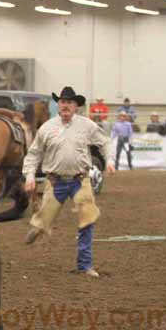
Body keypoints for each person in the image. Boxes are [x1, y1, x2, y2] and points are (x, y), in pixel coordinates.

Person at [23, 86, 115, 278]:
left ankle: (85, 265)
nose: (66, 105)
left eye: (70, 103)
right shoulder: (46, 128)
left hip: (80, 180)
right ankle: (40, 225)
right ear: (58, 105)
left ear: (76, 107)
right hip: (55, 181)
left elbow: (105, 142)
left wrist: (110, 161)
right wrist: (30, 175)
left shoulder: (87, 125)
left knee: (87, 219)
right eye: (63, 102)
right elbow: (34, 153)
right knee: (44, 218)